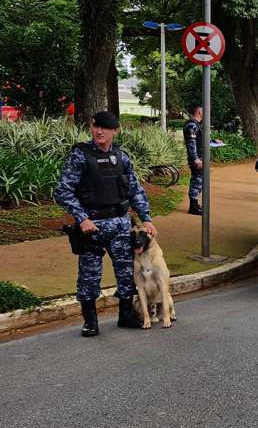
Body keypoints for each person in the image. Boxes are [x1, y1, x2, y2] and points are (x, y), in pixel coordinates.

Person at [54, 111, 158, 336]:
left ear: (114, 131)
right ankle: (90, 321)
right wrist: (81, 218)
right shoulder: (80, 156)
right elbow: (63, 191)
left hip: (121, 224)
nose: (99, 131)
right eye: (95, 126)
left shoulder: (122, 157)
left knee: (126, 272)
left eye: (104, 128)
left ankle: (126, 315)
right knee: (89, 275)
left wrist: (146, 218)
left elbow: (135, 190)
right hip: (92, 226)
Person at [183, 104, 204, 215]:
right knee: (197, 181)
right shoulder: (192, 125)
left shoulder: (196, 125)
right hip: (197, 159)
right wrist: (195, 159)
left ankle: (195, 204)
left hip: (200, 158)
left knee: (199, 181)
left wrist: (214, 141)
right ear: (199, 112)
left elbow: (199, 140)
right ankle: (193, 207)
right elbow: (191, 143)